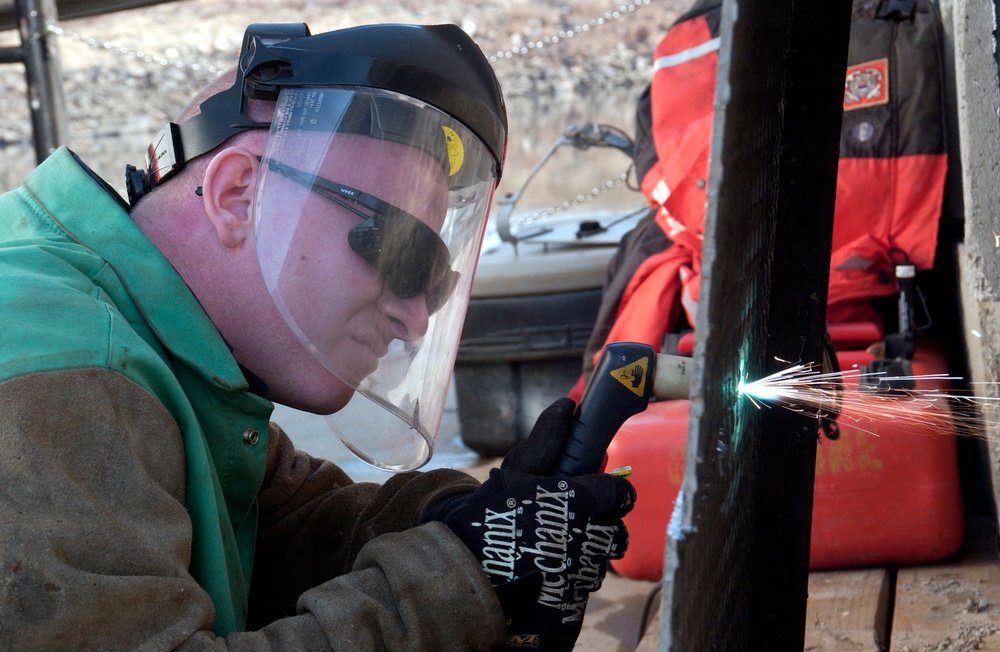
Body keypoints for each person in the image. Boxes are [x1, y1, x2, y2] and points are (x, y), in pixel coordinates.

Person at [0, 20, 635, 650]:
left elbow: (289, 530)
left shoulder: (167, 355)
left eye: (434, 279)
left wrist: (474, 521)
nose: (416, 319)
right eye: (397, 253)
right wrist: (464, 578)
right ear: (238, 195)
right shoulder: (63, 366)